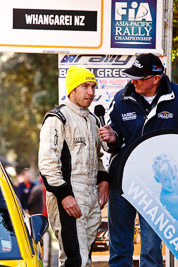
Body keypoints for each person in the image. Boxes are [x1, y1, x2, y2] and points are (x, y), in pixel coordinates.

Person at [98, 53, 178, 267]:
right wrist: (112, 138)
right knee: (119, 248)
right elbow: (114, 139)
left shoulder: (177, 97)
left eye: (139, 78)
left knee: (152, 250)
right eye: (131, 76)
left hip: (155, 186)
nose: (133, 82)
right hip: (122, 181)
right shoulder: (121, 98)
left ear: (156, 78)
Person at [38, 65, 110, 267]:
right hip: (69, 197)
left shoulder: (93, 119)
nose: (91, 92)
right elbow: (47, 163)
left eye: (93, 87)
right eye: (85, 86)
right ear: (72, 89)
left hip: (90, 198)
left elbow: (97, 159)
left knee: (84, 259)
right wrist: (64, 195)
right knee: (74, 259)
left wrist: (104, 181)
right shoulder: (57, 118)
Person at [152, 154, 178, 220]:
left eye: (173, 177)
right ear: (157, 179)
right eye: (166, 179)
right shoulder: (165, 199)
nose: (171, 183)